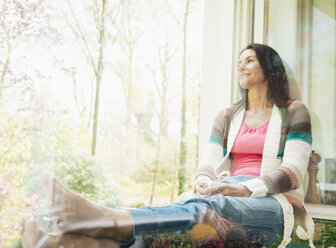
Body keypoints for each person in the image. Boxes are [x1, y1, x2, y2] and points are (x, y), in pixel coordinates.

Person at [21, 43, 315, 248]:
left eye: (249, 59)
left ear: (270, 67)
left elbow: (292, 173)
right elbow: (208, 165)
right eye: (239, 60)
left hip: (276, 204)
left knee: (212, 206)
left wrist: (244, 188)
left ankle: (103, 218)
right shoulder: (226, 116)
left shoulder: (294, 110)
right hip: (225, 193)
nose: (242, 64)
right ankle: (59, 242)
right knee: (195, 207)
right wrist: (204, 181)